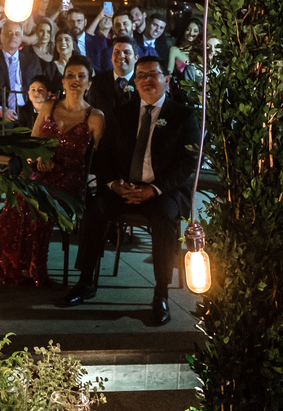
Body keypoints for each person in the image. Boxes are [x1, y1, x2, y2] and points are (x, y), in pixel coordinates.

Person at [62, 56, 199, 326]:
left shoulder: (182, 115)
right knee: (95, 207)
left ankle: (161, 294)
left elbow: (187, 162)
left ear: (166, 80)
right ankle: (85, 281)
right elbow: (104, 155)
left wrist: (154, 189)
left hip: (163, 191)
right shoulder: (122, 113)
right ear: (134, 82)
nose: (147, 80)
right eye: (141, 75)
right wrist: (114, 184)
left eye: (153, 74)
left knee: (165, 218)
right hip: (124, 188)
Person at [0, 55, 103, 287]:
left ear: (89, 83)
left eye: (81, 76)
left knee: (37, 199)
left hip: (70, 179)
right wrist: (40, 157)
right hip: (41, 173)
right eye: (70, 75)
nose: (75, 80)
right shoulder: (49, 107)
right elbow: (31, 145)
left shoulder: (95, 117)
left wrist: (64, 165)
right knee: (24, 193)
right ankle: (29, 267)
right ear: (63, 82)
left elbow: (97, 159)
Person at [0, 20, 57, 121]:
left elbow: (42, 86)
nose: (13, 36)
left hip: (29, 113)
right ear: (1, 37)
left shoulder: (32, 60)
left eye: (17, 34)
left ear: (21, 38)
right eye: (9, 33)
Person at [87, 36, 137, 126]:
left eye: (126, 52)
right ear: (111, 57)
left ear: (136, 58)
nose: (121, 56)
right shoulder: (97, 82)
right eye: (117, 52)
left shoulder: (142, 82)